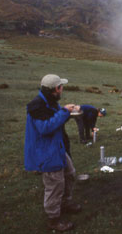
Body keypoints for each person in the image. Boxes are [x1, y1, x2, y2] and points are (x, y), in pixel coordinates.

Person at [24, 74, 81, 232]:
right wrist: (64, 112)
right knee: (54, 185)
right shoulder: (37, 106)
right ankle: (53, 219)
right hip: (46, 152)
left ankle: (65, 203)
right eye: (61, 87)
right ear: (56, 89)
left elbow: (56, 120)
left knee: (70, 173)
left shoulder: (50, 102)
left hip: (57, 148)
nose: (62, 89)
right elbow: (45, 128)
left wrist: (67, 112)